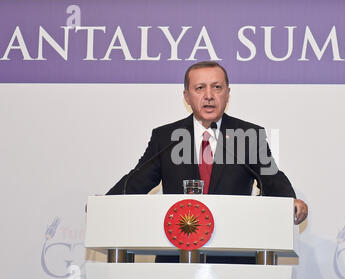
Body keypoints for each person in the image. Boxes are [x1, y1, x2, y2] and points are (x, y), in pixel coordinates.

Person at [106, 61, 308, 262]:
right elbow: (136, 181)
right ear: (187, 96)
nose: (209, 96)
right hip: (176, 256)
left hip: (234, 256)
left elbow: (271, 178)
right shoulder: (167, 137)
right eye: (200, 88)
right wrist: (105, 204)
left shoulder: (247, 135)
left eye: (217, 87)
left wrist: (290, 200)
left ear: (228, 93)